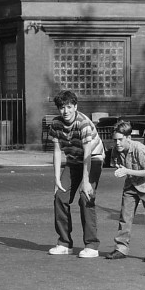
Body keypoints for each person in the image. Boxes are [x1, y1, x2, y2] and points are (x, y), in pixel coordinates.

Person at [47, 90, 104, 258]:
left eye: (69, 107)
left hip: (92, 158)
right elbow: (57, 151)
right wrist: (57, 179)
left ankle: (92, 245)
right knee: (60, 196)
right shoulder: (56, 124)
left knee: (85, 196)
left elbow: (88, 154)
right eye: (62, 108)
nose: (66, 111)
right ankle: (64, 243)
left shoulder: (83, 123)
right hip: (73, 159)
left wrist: (86, 182)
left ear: (76, 107)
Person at [106, 121, 145, 262]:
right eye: (115, 139)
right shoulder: (115, 150)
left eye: (120, 139)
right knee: (125, 215)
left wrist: (126, 171)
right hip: (131, 183)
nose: (117, 143)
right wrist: (120, 169)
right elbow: (116, 163)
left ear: (128, 138)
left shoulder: (139, 149)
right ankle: (121, 248)